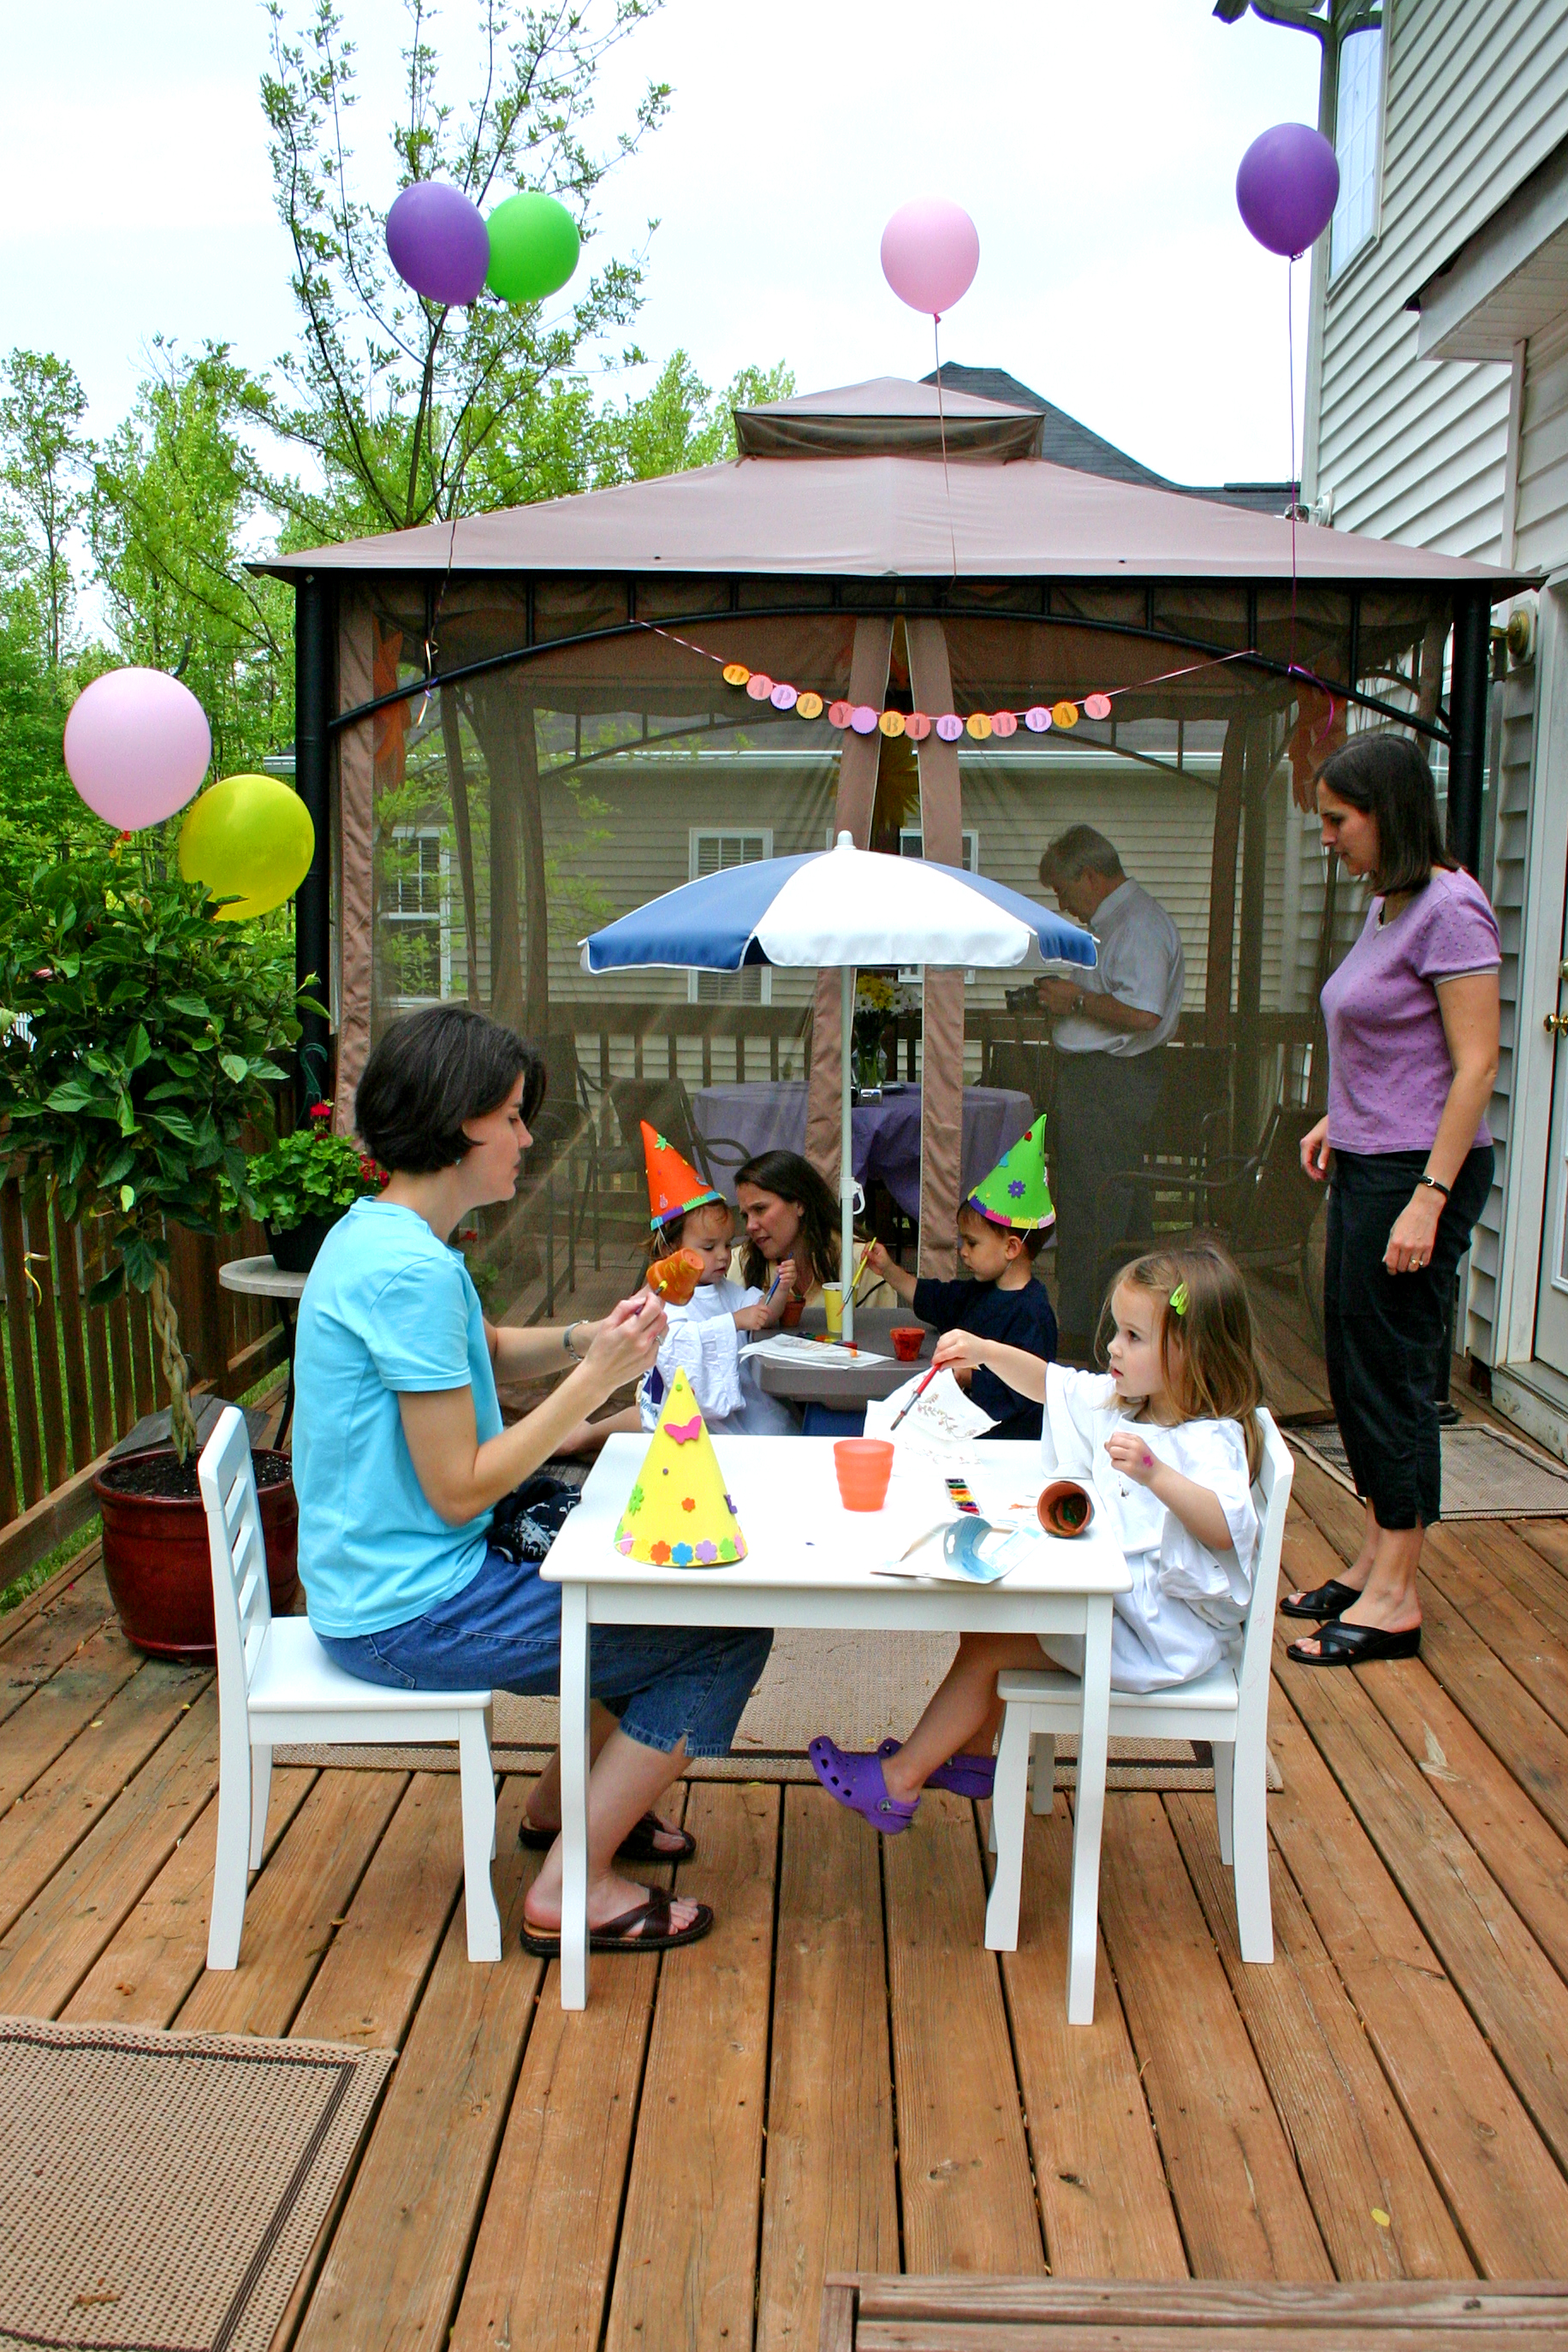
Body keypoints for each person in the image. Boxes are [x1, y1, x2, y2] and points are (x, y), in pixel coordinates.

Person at [292, 1005, 773, 1955]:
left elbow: (477, 1349)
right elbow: (459, 1489)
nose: (525, 1138)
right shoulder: (410, 1274)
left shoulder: (382, 1235)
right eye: (512, 1116)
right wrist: (593, 1387)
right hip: (406, 1609)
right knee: (721, 1631)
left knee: (639, 1578)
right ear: (456, 1120)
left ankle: (565, 1809)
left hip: (378, 1574)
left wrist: (582, 1339)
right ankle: (571, 1888)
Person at [808, 1244, 1262, 1829]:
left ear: (1190, 1351)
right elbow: (1052, 1384)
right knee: (987, 1617)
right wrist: (985, 1351)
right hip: (1122, 1611)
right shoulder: (1129, 1405)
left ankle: (899, 1783)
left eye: (1133, 1337)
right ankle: (972, 1757)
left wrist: (1157, 1474)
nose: (1113, 1347)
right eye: (1117, 1331)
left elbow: (1226, 1527)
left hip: (1160, 1637)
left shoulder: (1210, 1439)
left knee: (994, 1646)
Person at [1283, 732, 1500, 1668]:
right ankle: (1375, 1559)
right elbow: (1395, 1042)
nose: (1327, 837)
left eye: (1338, 820)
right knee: (1353, 1366)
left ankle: (1397, 1597)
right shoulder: (1389, 905)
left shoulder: (1452, 909)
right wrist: (1343, 1114)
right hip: (1372, 1161)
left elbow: (1474, 1064)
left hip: (1418, 1174)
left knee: (1397, 1375)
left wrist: (1428, 1197)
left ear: (1387, 811)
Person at [1034, 826, 1185, 1360]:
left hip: (1111, 1082)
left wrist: (1075, 1001)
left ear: (1090, 876)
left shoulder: (1137, 924)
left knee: (1092, 1210)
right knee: (1120, 1212)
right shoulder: (1115, 924)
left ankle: (1083, 1336)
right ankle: (1132, 1328)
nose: (1063, 904)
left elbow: (1144, 1014)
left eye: (1063, 891)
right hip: (1099, 1081)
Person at [559, 1124, 799, 1449]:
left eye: (727, 1244)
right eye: (709, 1247)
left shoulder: (726, 1289)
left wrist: (781, 1289)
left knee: (774, 1430)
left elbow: (764, 1314)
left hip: (731, 1399)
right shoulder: (664, 1297)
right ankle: (583, 1436)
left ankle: (587, 1435)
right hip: (680, 1401)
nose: (723, 1256)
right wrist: (733, 1322)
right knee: (652, 1423)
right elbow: (677, 1343)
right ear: (672, 1248)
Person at [865, 1114, 1057, 1441]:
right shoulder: (977, 1291)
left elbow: (1027, 1392)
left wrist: (969, 1375)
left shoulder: (1033, 1314)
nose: (962, 1251)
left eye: (972, 1243)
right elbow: (934, 1298)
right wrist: (889, 1270)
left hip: (1013, 1446)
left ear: (1012, 1247)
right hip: (966, 1435)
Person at [732, 1148, 897, 1312]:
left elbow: (883, 1327)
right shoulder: (741, 1262)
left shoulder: (861, 1262)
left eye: (760, 1209)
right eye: (745, 1216)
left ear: (799, 1204)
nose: (750, 1226)